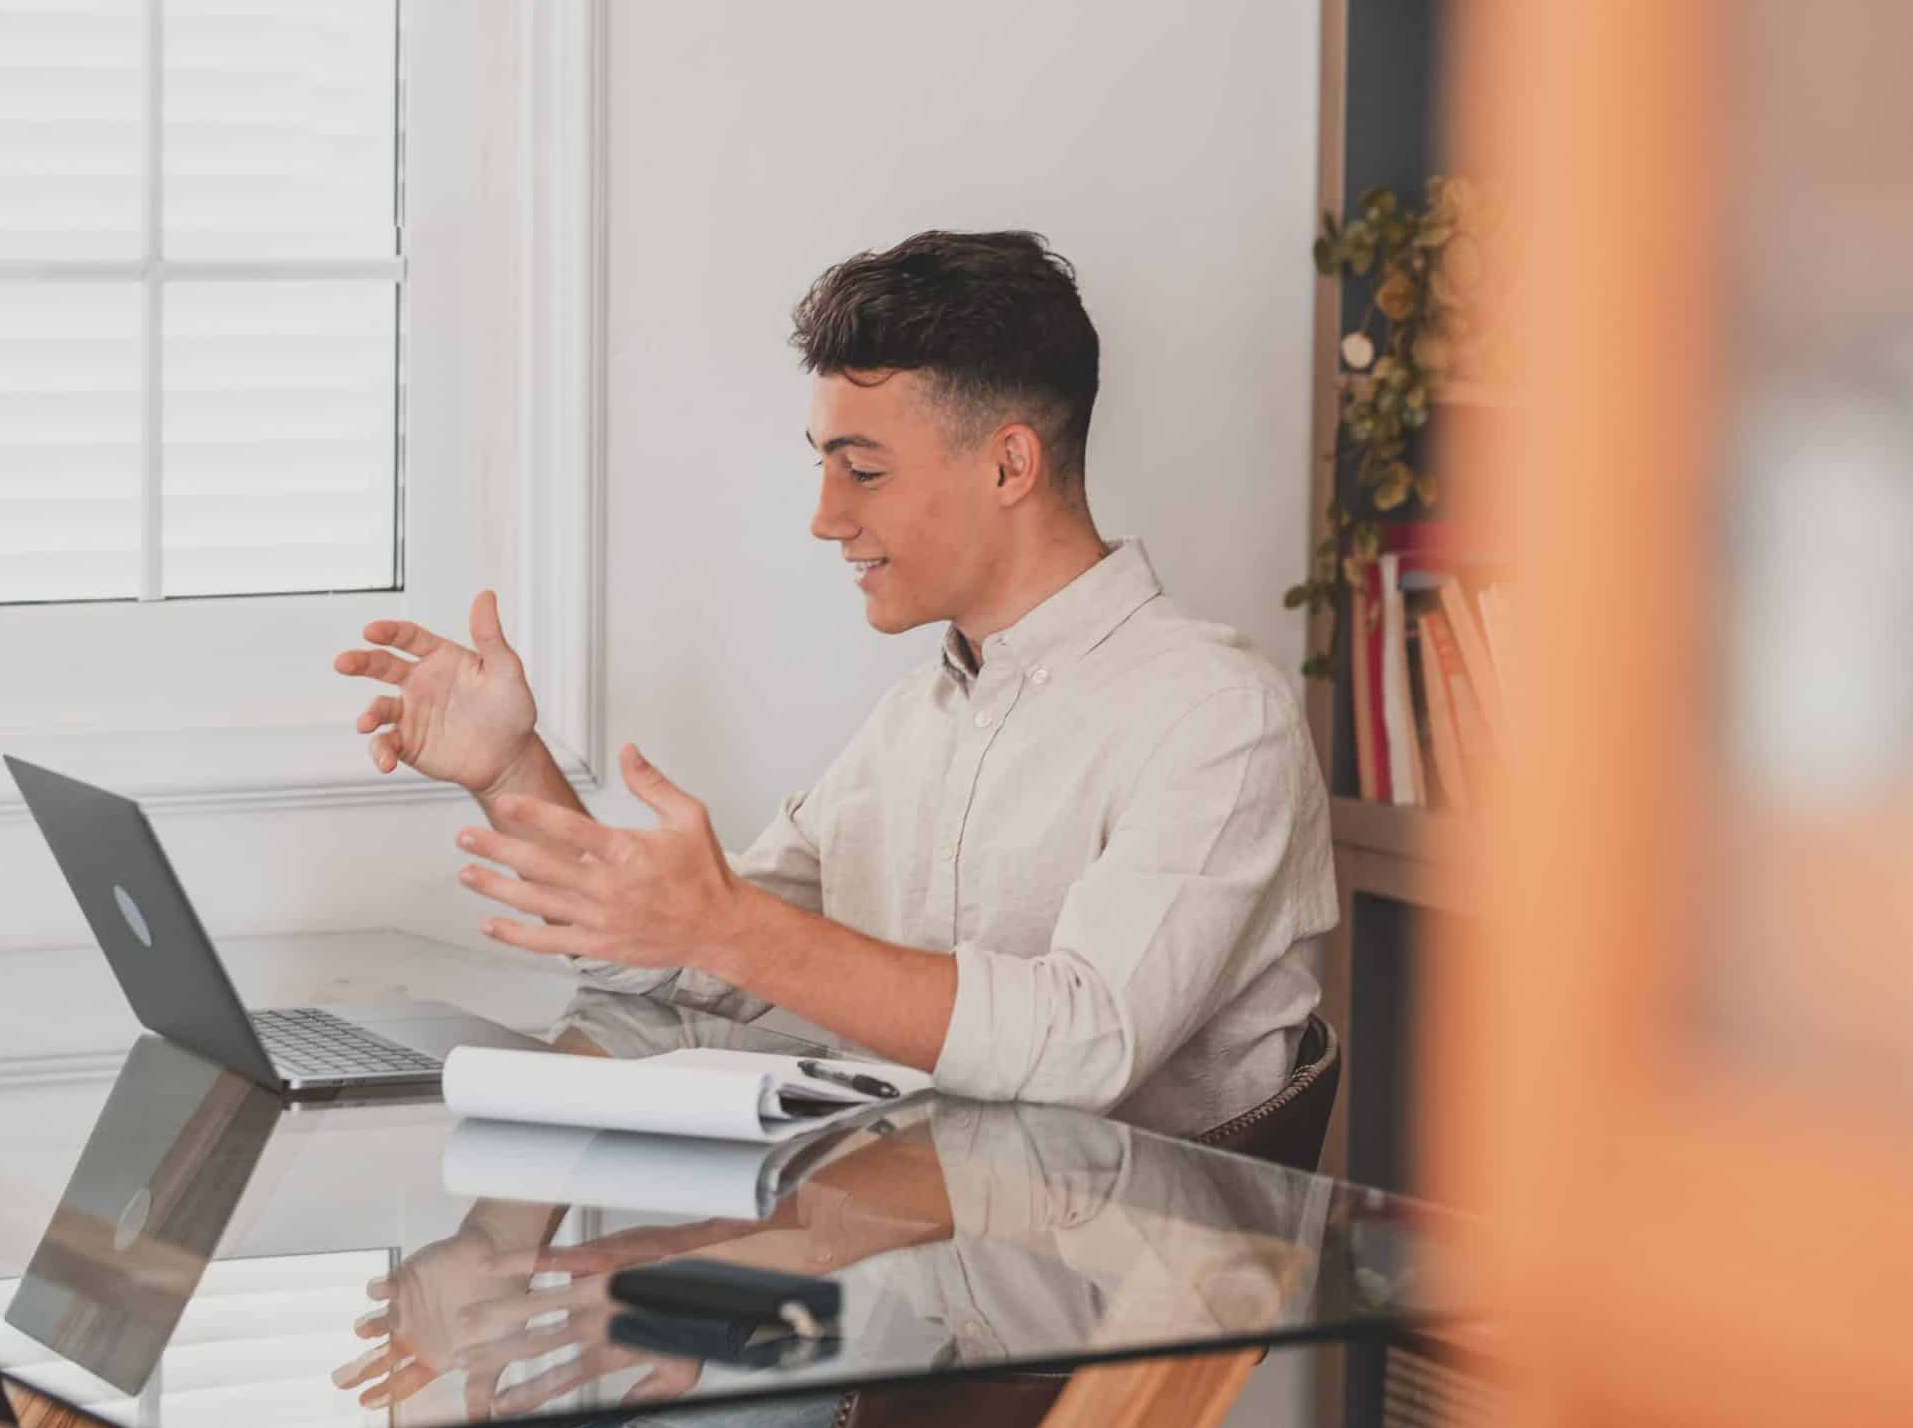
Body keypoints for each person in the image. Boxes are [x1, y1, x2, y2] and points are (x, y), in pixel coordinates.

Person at [333, 229, 1337, 1135]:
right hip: (910, 1267)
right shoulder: (919, 718)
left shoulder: (1216, 719)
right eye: (822, 466)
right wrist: (511, 769)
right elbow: (675, 950)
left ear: (1008, 465)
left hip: (1105, 1313)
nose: (823, 516)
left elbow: (1085, 1044)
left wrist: (733, 928)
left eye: (861, 470)